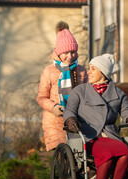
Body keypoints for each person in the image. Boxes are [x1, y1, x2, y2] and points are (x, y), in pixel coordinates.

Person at [63, 54, 128, 179]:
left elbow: (126, 110)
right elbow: (70, 109)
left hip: (109, 136)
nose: (88, 72)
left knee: (126, 152)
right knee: (108, 153)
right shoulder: (80, 91)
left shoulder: (118, 94)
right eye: (89, 68)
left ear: (103, 73)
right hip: (87, 136)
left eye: (93, 69)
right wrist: (70, 119)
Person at [36, 21, 88, 152]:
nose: (70, 56)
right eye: (66, 53)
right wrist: (54, 108)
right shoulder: (48, 71)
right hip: (54, 122)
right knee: (65, 155)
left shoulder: (81, 70)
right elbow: (41, 98)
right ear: (58, 53)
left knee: (79, 155)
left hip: (76, 119)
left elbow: (86, 94)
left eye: (73, 52)